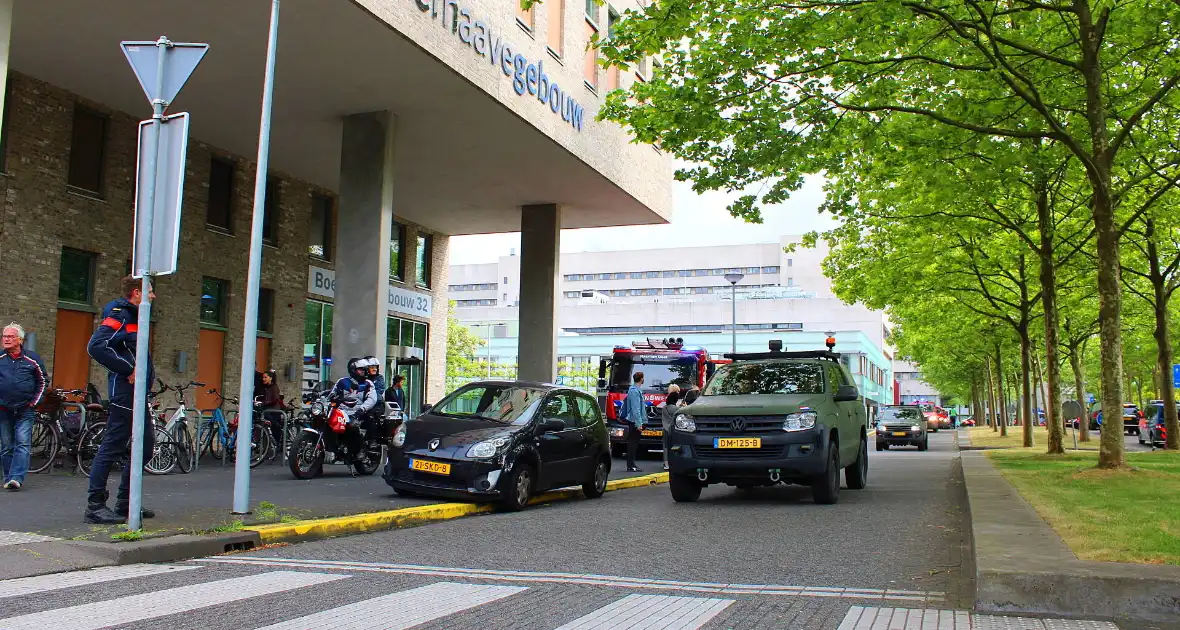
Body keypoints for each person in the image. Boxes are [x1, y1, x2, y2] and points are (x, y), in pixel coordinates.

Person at [85, 276, 156, 524]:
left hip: (137, 394)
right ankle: (95, 506)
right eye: (149, 291)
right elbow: (96, 346)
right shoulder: (121, 313)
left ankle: (126, 502)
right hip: (125, 394)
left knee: (146, 447)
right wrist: (129, 369)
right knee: (112, 447)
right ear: (136, 293)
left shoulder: (137, 316)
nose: (153, 296)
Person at [0, 323, 47, 491]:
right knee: (6, 445)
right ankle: (8, 477)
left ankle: (16, 478)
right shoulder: (0, 358)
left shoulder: (32, 359)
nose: (6, 339)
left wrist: (34, 403)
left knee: (22, 443)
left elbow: (42, 382)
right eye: (4, 336)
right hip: (3, 410)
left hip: (25, 409)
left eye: (10, 337)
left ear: (19, 340)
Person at [333, 357, 379, 463]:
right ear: (353, 370)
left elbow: (372, 399)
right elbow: (332, 393)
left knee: (352, 425)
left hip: (357, 411)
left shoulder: (368, 384)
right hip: (341, 411)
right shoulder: (342, 381)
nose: (364, 371)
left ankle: (360, 449)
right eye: (361, 369)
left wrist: (362, 409)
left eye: (364, 369)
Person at [623, 371, 646, 472]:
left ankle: (631, 464)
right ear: (641, 379)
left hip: (634, 421)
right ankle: (631, 465)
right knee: (632, 443)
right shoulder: (634, 391)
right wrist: (639, 424)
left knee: (633, 443)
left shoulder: (635, 390)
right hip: (634, 421)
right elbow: (636, 409)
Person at [255, 370, 285, 447]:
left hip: (273, 411)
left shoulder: (274, 387)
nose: (263, 379)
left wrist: (263, 403)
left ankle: (278, 445)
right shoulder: (265, 387)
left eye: (265, 377)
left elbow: (274, 399)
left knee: (275, 428)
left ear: (271, 378)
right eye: (263, 377)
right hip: (268, 410)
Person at [659, 385, 682, 472]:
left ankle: (666, 463)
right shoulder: (677, 409)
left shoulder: (664, 408)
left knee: (665, 447)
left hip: (665, 429)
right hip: (673, 430)